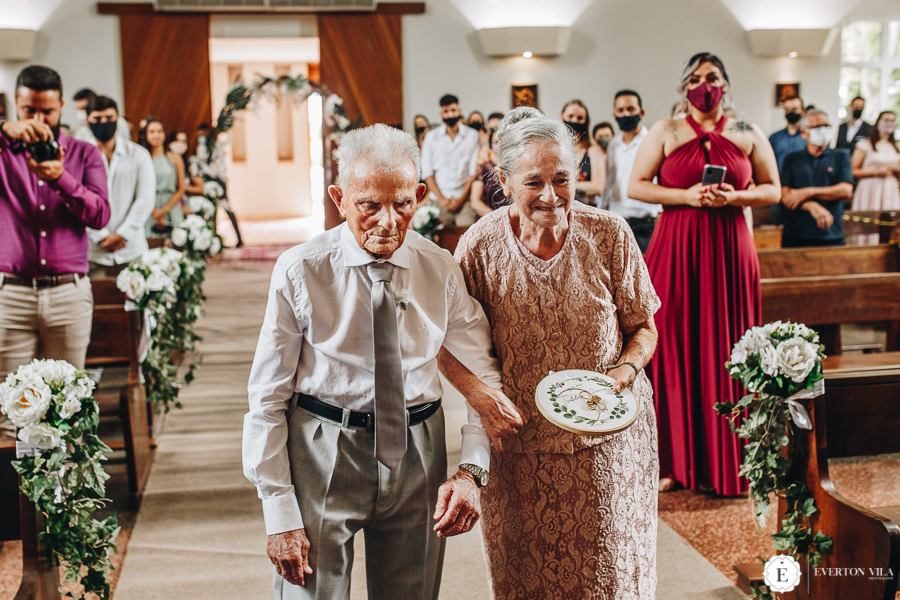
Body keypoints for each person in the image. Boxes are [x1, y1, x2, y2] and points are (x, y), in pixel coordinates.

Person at [243, 123, 522, 600]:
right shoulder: (301, 269)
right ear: (340, 198)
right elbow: (268, 396)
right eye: (369, 205)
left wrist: (473, 469)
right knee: (312, 595)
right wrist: (279, 512)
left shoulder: (439, 267)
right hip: (322, 445)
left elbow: (483, 374)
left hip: (419, 448)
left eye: (402, 204)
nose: (388, 221)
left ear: (418, 195)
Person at [451, 106, 660, 598]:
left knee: (607, 574)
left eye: (562, 179)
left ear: (578, 173)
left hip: (605, 441)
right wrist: (481, 397)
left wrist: (625, 370)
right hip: (518, 446)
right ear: (503, 180)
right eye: (533, 182)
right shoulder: (479, 247)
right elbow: (447, 345)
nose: (550, 196)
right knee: (526, 577)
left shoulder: (609, 234)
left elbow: (643, 327)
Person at [628, 52, 781, 495]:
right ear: (684, 88)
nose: (704, 85)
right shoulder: (667, 129)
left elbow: (773, 188)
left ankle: (732, 459)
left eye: (712, 77)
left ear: (725, 85)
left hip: (730, 249)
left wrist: (734, 197)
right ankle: (672, 461)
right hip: (676, 245)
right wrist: (687, 196)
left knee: (728, 348)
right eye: (695, 79)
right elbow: (635, 186)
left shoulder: (747, 132)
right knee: (673, 344)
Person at [0, 65, 109, 383]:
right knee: (7, 411)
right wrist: (5, 129)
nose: (37, 120)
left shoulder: (84, 153)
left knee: (66, 407)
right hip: (10, 294)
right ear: (16, 108)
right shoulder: (4, 150)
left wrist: (61, 179)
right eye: (27, 110)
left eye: (46, 111)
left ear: (61, 107)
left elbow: (100, 214)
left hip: (68, 295)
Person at [85, 96, 155, 277]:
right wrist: (99, 236)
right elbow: (78, 200)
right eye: (97, 119)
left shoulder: (139, 154)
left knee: (136, 302)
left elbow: (145, 199)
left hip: (132, 247)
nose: (104, 123)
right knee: (98, 302)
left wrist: (123, 234)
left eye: (109, 118)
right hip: (94, 251)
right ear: (88, 121)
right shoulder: (81, 157)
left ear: (118, 118)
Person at [780, 110, 854, 248]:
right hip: (796, 234)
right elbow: (785, 195)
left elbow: (845, 190)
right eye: (817, 127)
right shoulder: (792, 159)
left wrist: (808, 192)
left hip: (831, 234)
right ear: (804, 133)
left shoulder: (841, 156)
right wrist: (811, 206)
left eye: (826, 126)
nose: (823, 130)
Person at [602, 89, 660, 253]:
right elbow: (609, 183)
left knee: (645, 275)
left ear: (641, 112)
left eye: (630, 109)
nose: (626, 114)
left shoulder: (652, 141)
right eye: (620, 110)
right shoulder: (613, 144)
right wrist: (603, 210)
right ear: (614, 114)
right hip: (615, 219)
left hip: (643, 223)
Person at [420, 94, 480, 226]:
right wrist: (441, 200)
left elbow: (473, 172)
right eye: (446, 111)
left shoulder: (472, 136)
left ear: (459, 111)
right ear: (441, 114)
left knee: (468, 238)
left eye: (453, 110)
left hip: (464, 199)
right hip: (439, 198)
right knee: (435, 241)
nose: (450, 115)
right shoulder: (431, 137)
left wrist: (460, 200)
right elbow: (427, 172)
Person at [190, 123, 244, 247]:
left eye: (202, 134)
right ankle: (214, 240)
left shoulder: (216, 146)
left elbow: (219, 165)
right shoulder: (201, 146)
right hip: (208, 181)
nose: (200, 136)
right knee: (211, 209)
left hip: (218, 180)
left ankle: (239, 237)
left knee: (227, 208)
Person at [141, 118, 186, 238]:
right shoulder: (142, 159)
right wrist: (154, 212)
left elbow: (181, 189)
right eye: (152, 132)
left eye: (159, 131)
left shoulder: (175, 159)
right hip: (149, 208)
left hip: (171, 206)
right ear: (146, 135)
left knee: (176, 245)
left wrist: (165, 210)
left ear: (164, 134)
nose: (156, 135)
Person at [560, 99, 605, 204]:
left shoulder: (593, 150)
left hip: (587, 209)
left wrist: (561, 185)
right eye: (570, 116)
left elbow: (598, 187)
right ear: (561, 117)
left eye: (580, 118)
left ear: (586, 121)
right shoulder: (554, 149)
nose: (574, 120)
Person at [469, 127, 506, 216]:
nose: (500, 145)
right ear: (491, 146)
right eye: (496, 142)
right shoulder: (484, 168)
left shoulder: (516, 167)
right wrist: (497, 218)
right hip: (490, 217)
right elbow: (475, 201)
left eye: (503, 141)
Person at [769, 96, 807, 172]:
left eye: (794, 109)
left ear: (802, 111)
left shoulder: (808, 137)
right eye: (787, 109)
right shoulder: (774, 138)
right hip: (780, 181)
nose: (790, 112)